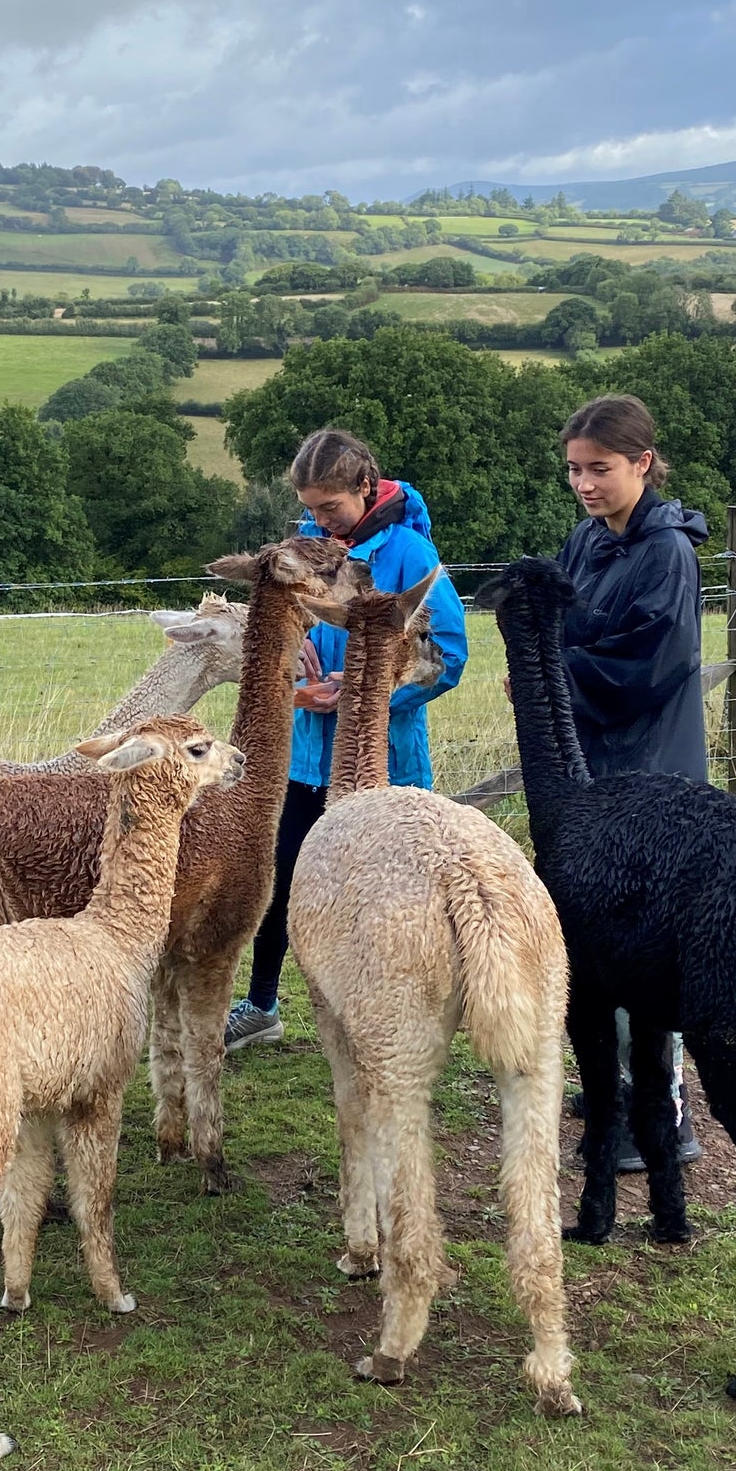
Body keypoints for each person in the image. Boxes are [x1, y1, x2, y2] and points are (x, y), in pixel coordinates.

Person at [224, 428, 468, 1050]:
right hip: (305, 753)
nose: (320, 519)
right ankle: (261, 1006)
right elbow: (289, 615)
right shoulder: (311, 546)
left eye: (330, 506)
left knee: (377, 894)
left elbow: (448, 658)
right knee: (279, 879)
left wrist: (367, 693)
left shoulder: (413, 554)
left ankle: (384, 1015)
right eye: (310, 508)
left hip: (382, 759)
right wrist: (293, 648)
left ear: (365, 487)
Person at [557, 392, 707, 1167]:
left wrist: (553, 671)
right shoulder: (587, 540)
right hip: (597, 767)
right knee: (598, 936)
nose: (584, 484)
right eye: (575, 470)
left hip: (651, 767)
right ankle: (610, 1085)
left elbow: (648, 663)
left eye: (600, 469)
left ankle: (666, 1118)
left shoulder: (666, 554)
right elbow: (565, 620)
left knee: (647, 947)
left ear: (642, 463)